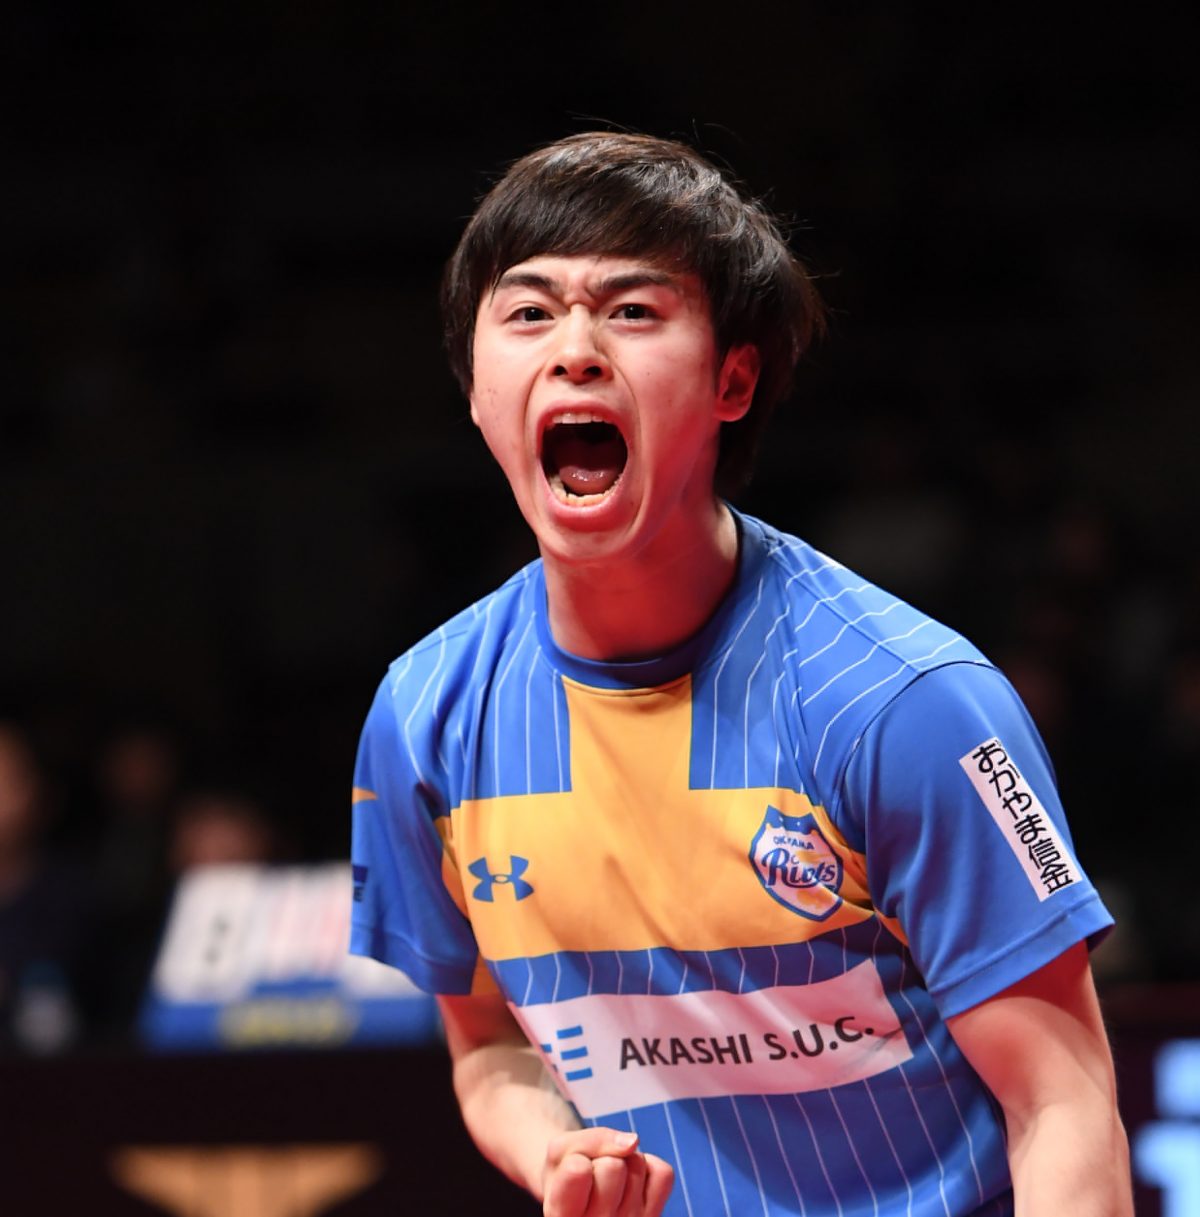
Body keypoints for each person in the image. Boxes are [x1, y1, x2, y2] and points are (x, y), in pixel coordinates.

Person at [350, 131, 1131, 1217]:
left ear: (733, 379)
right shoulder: (427, 718)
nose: (574, 350)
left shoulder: (906, 702)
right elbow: (489, 1044)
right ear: (477, 389)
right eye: (528, 312)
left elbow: (1062, 1100)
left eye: (632, 309)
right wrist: (552, 1151)